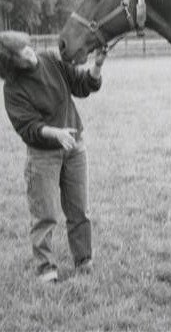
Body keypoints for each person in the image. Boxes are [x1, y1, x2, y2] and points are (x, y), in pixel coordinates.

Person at [0, 31, 106, 283]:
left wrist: (97, 67)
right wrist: (55, 133)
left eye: (26, 46)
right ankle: (46, 269)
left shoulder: (49, 59)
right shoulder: (13, 89)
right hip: (42, 157)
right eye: (21, 52)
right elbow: (28, 127)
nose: (29, 52)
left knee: (79, 210)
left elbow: (82, 85)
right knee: (45, 215)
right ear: (10, 62)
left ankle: (84, 261)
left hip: (74, 148)